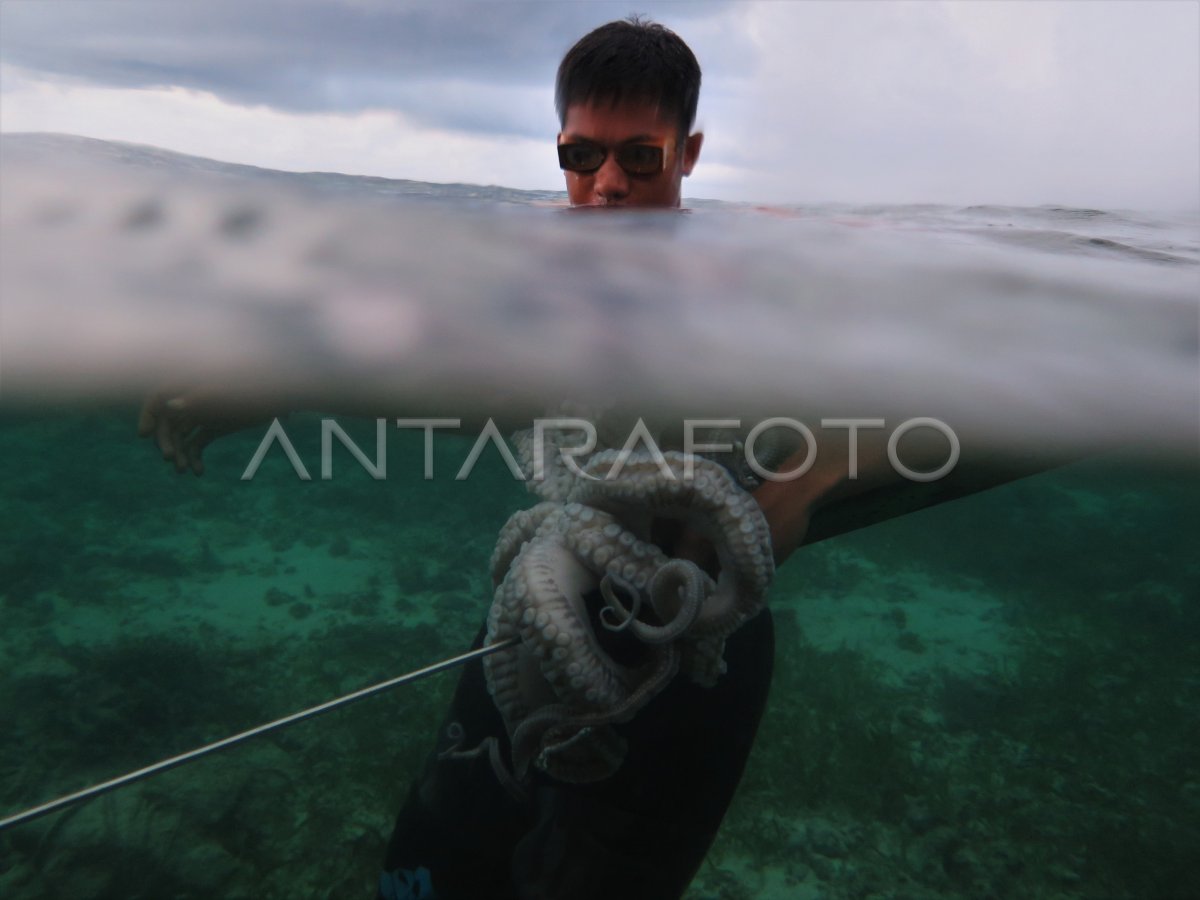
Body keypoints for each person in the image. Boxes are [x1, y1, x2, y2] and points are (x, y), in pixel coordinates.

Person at [139, 17, 927, 899]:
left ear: (691, 151)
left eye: (640, 156)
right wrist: (286, 383)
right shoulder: (525, 263)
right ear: (557, 147)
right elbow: (479, 393)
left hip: (705, 633)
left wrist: (801, 489)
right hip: (545, 608)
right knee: (432, 869)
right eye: (582, 156)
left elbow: (927, 374)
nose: (606, 187)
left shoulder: (765, 260)